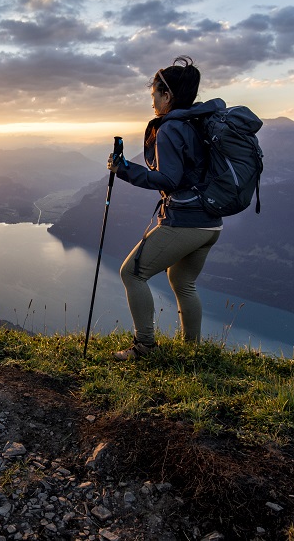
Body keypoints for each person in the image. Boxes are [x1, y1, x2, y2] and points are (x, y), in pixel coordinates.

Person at [107, 56, 221, 360]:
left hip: (186, 221)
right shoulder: (197, 122)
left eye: (155, 95)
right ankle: (191, 351)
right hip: (211, 222)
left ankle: (144, 347)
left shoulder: (170, 128)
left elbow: (169, 178)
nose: (153, 103)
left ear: (166, 95)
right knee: (183, 282)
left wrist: (125, 169)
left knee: (131, 273)